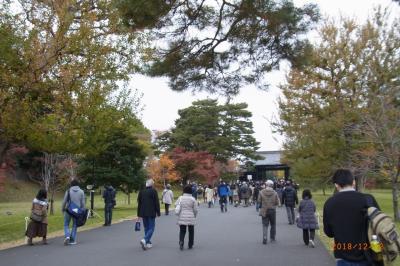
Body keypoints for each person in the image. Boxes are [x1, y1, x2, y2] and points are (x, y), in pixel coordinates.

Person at [323, 169, 381, 266]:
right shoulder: (368, 199)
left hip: (343, 255)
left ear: (336, 185)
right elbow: (379, 225)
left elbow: (329, 233)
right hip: (369, 255)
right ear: (353, 182)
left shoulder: (330, 203)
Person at [137, 179, 161, 250]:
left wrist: (138, 214)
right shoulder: (153, 191)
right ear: (152, 185)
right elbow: (156, 202)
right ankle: (145, 239)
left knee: (146, 227)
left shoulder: (141, 191)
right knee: (151, 227)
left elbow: (139, 203)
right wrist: (158, 212)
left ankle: (148, 242)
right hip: (151, 212)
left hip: (143, 212)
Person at [61, 179, 85, 245]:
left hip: (68, 210)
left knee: (66, 224)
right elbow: (83, 203)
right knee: (75, 225)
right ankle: (73, 240)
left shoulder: (68, 191)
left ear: (71, 184)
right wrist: (82, 210)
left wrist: (62, 209)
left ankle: (67, 236)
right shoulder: (81, 192)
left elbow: (64, 201)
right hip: (77, 211)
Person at [176, 185, 198, 250]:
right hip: (190, 216)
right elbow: (195, 209)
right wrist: (195, 215)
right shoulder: (193, 199)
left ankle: (181, 241)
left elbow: (176, 205)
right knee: (191, 231)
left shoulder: (180, 198)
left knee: (182, 230)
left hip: (182, 216)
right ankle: (190, 244)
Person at [258, 180, 280, 244]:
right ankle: (272, 237)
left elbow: (259, 201)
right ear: (272, 185)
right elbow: (277, 202)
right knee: (273, 224)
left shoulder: (261, 192)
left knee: (265, 225)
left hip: (264, 210)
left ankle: (265, 237)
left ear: (266, 185)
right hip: (272, 210)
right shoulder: (275, 192)